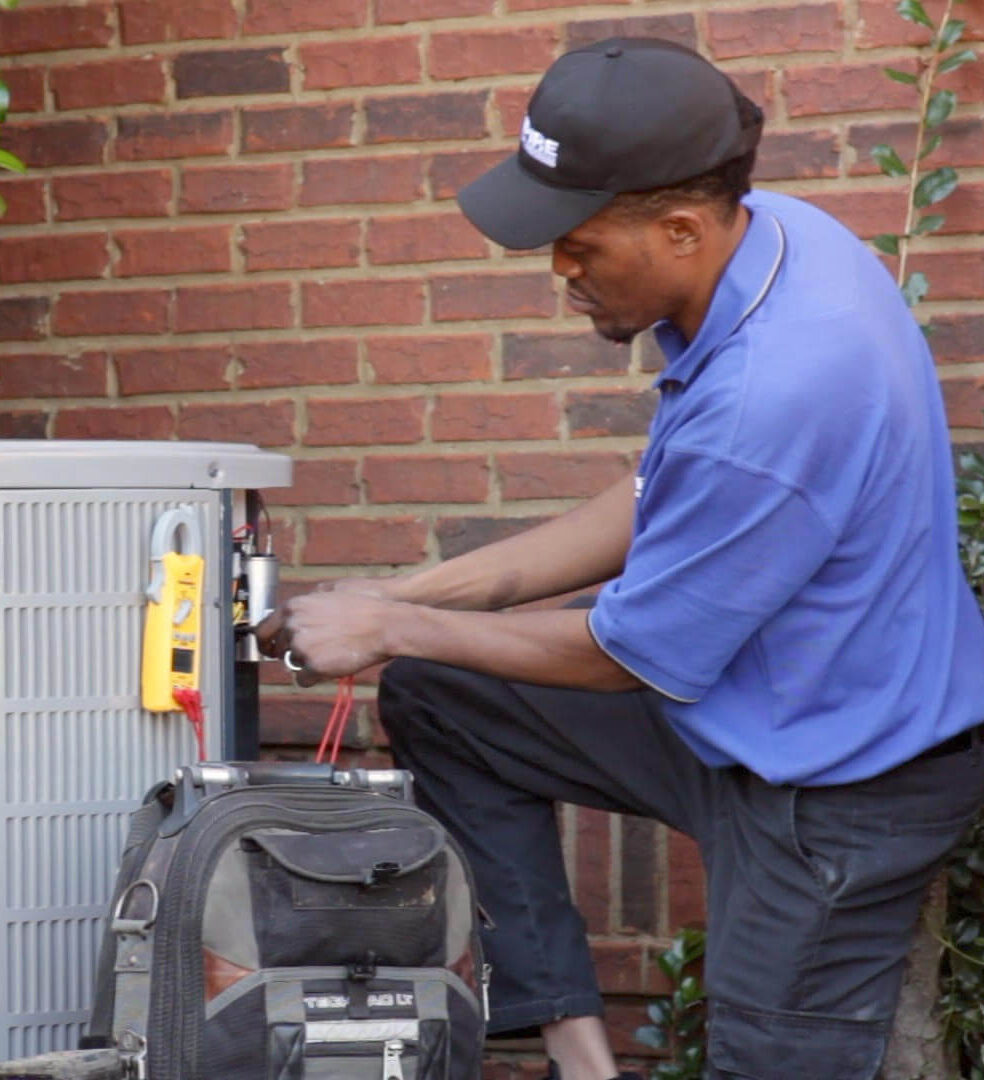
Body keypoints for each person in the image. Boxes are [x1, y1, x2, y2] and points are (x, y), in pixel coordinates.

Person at [257, 36, 984, 1080]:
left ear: (679, 227)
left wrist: (389, 627)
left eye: (576, 242)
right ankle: (578, 1053)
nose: (556, 268)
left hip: (838, 783)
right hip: (745, 712)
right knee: (441, 697)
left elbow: (627, 654)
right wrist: (396, 596)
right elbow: (650, 501)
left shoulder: (777, 389)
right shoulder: (771, 241)